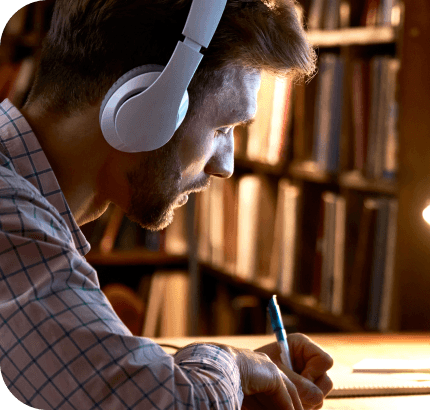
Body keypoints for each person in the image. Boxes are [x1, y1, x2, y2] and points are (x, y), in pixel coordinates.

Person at [0, 1, 333, 409]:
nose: (225, 167)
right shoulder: (10, 219)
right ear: (142, 110)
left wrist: (210, 376)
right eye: (223, 128)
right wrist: (230, 366)